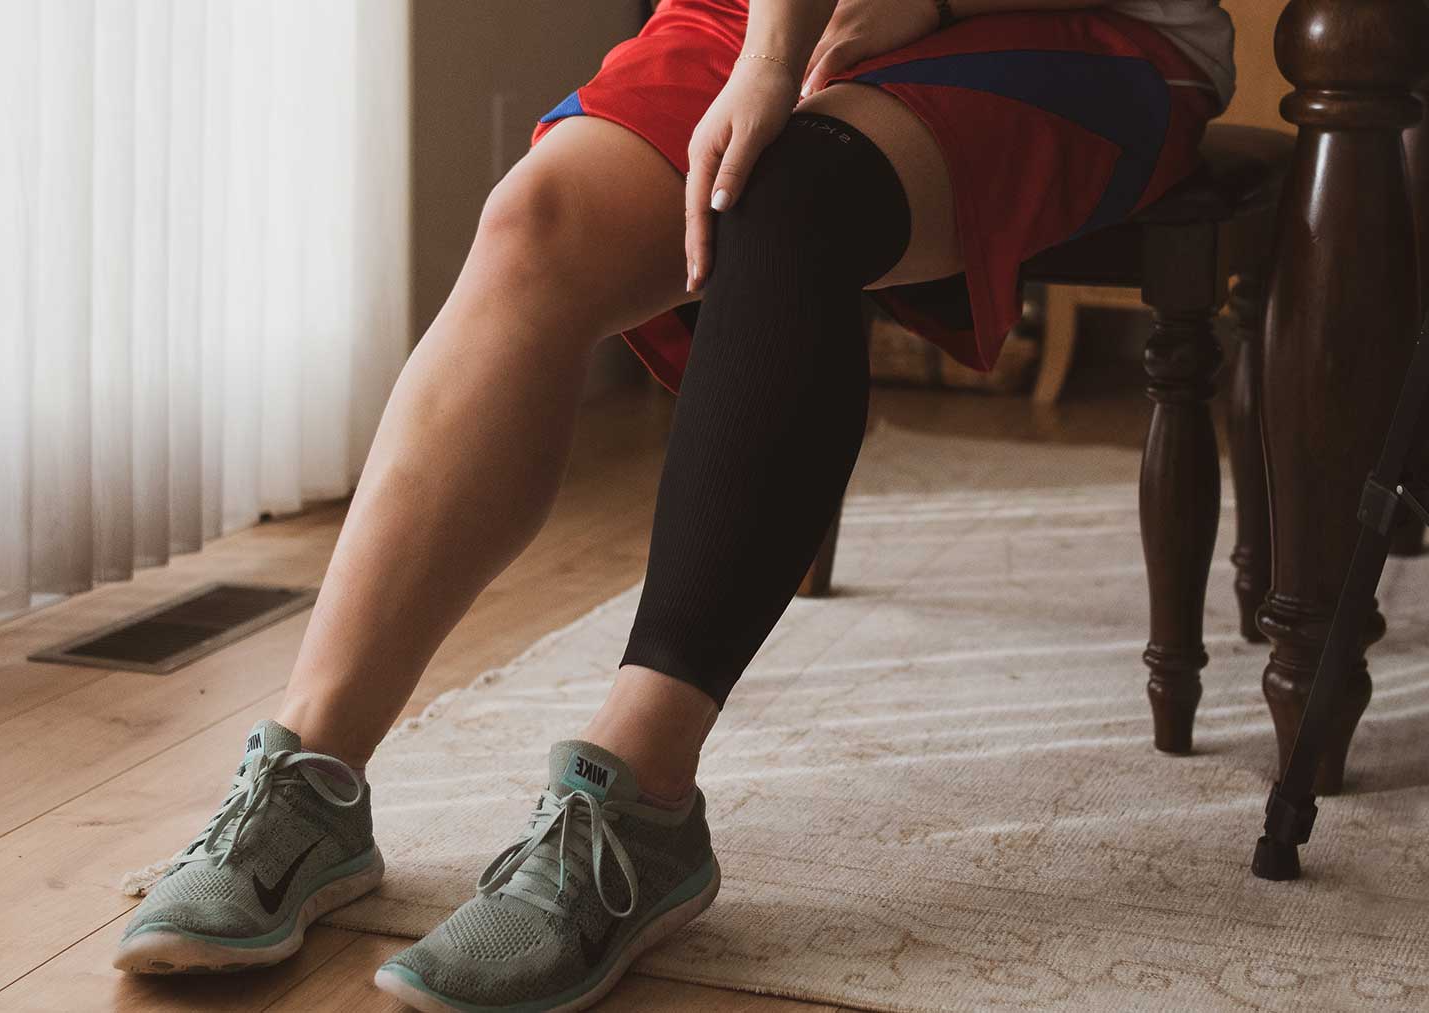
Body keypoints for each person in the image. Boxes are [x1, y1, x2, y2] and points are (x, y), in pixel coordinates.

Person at [113, 0, 1235, 1009]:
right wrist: (771, 45)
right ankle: (310, 775)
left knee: (796, 185)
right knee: (538, 220)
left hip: (1076, 24)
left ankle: (640, 796)